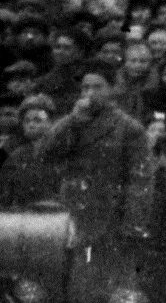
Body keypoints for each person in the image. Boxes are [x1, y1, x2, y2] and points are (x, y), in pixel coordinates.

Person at [37, 59, 152, 303]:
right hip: (71, 216)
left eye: (97, 87)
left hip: (109, 220)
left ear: (111, 90)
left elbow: (140, 181)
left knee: (102, 289)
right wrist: (70, 121)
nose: (89, 94)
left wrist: (133, 224)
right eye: (85, 88)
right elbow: (44, 153)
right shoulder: (74, 122)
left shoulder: (129, 128)